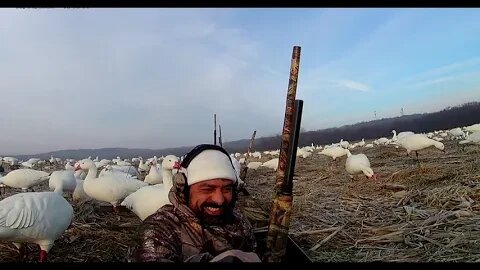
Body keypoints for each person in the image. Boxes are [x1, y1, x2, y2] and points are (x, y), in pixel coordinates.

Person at [135, 144, 261, 263]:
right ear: (184, 189)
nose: (219, 200)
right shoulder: (161, 229)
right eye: (207, 189)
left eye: (227, 189)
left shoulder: (237, 220)